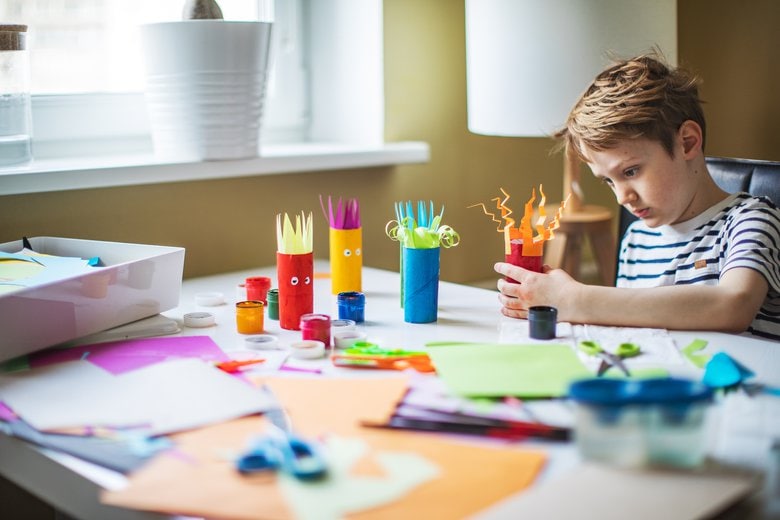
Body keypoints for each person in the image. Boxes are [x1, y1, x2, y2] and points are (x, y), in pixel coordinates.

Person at [494, 52, 780, 341]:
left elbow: (733, 306)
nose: (622, 197)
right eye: (608, 180)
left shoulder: (751, 220)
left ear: (688, 142)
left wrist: (576, 300)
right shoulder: (636, 241)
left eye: (630, 171)